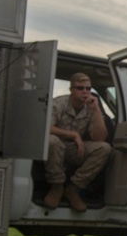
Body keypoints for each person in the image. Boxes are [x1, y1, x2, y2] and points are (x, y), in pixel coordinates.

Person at [44, 73, 111, 212]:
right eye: (80, 88)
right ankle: (57, 186)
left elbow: (99, 138)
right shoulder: (59, 103)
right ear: (71, 90)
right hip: (54, 148)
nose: (85, 92)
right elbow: (45, 127)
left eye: (88, 88)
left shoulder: (91, 107)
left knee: (104, 148)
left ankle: (74, 189)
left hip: (74, 150)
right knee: (52, 141)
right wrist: (73, 134)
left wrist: (97, 110)